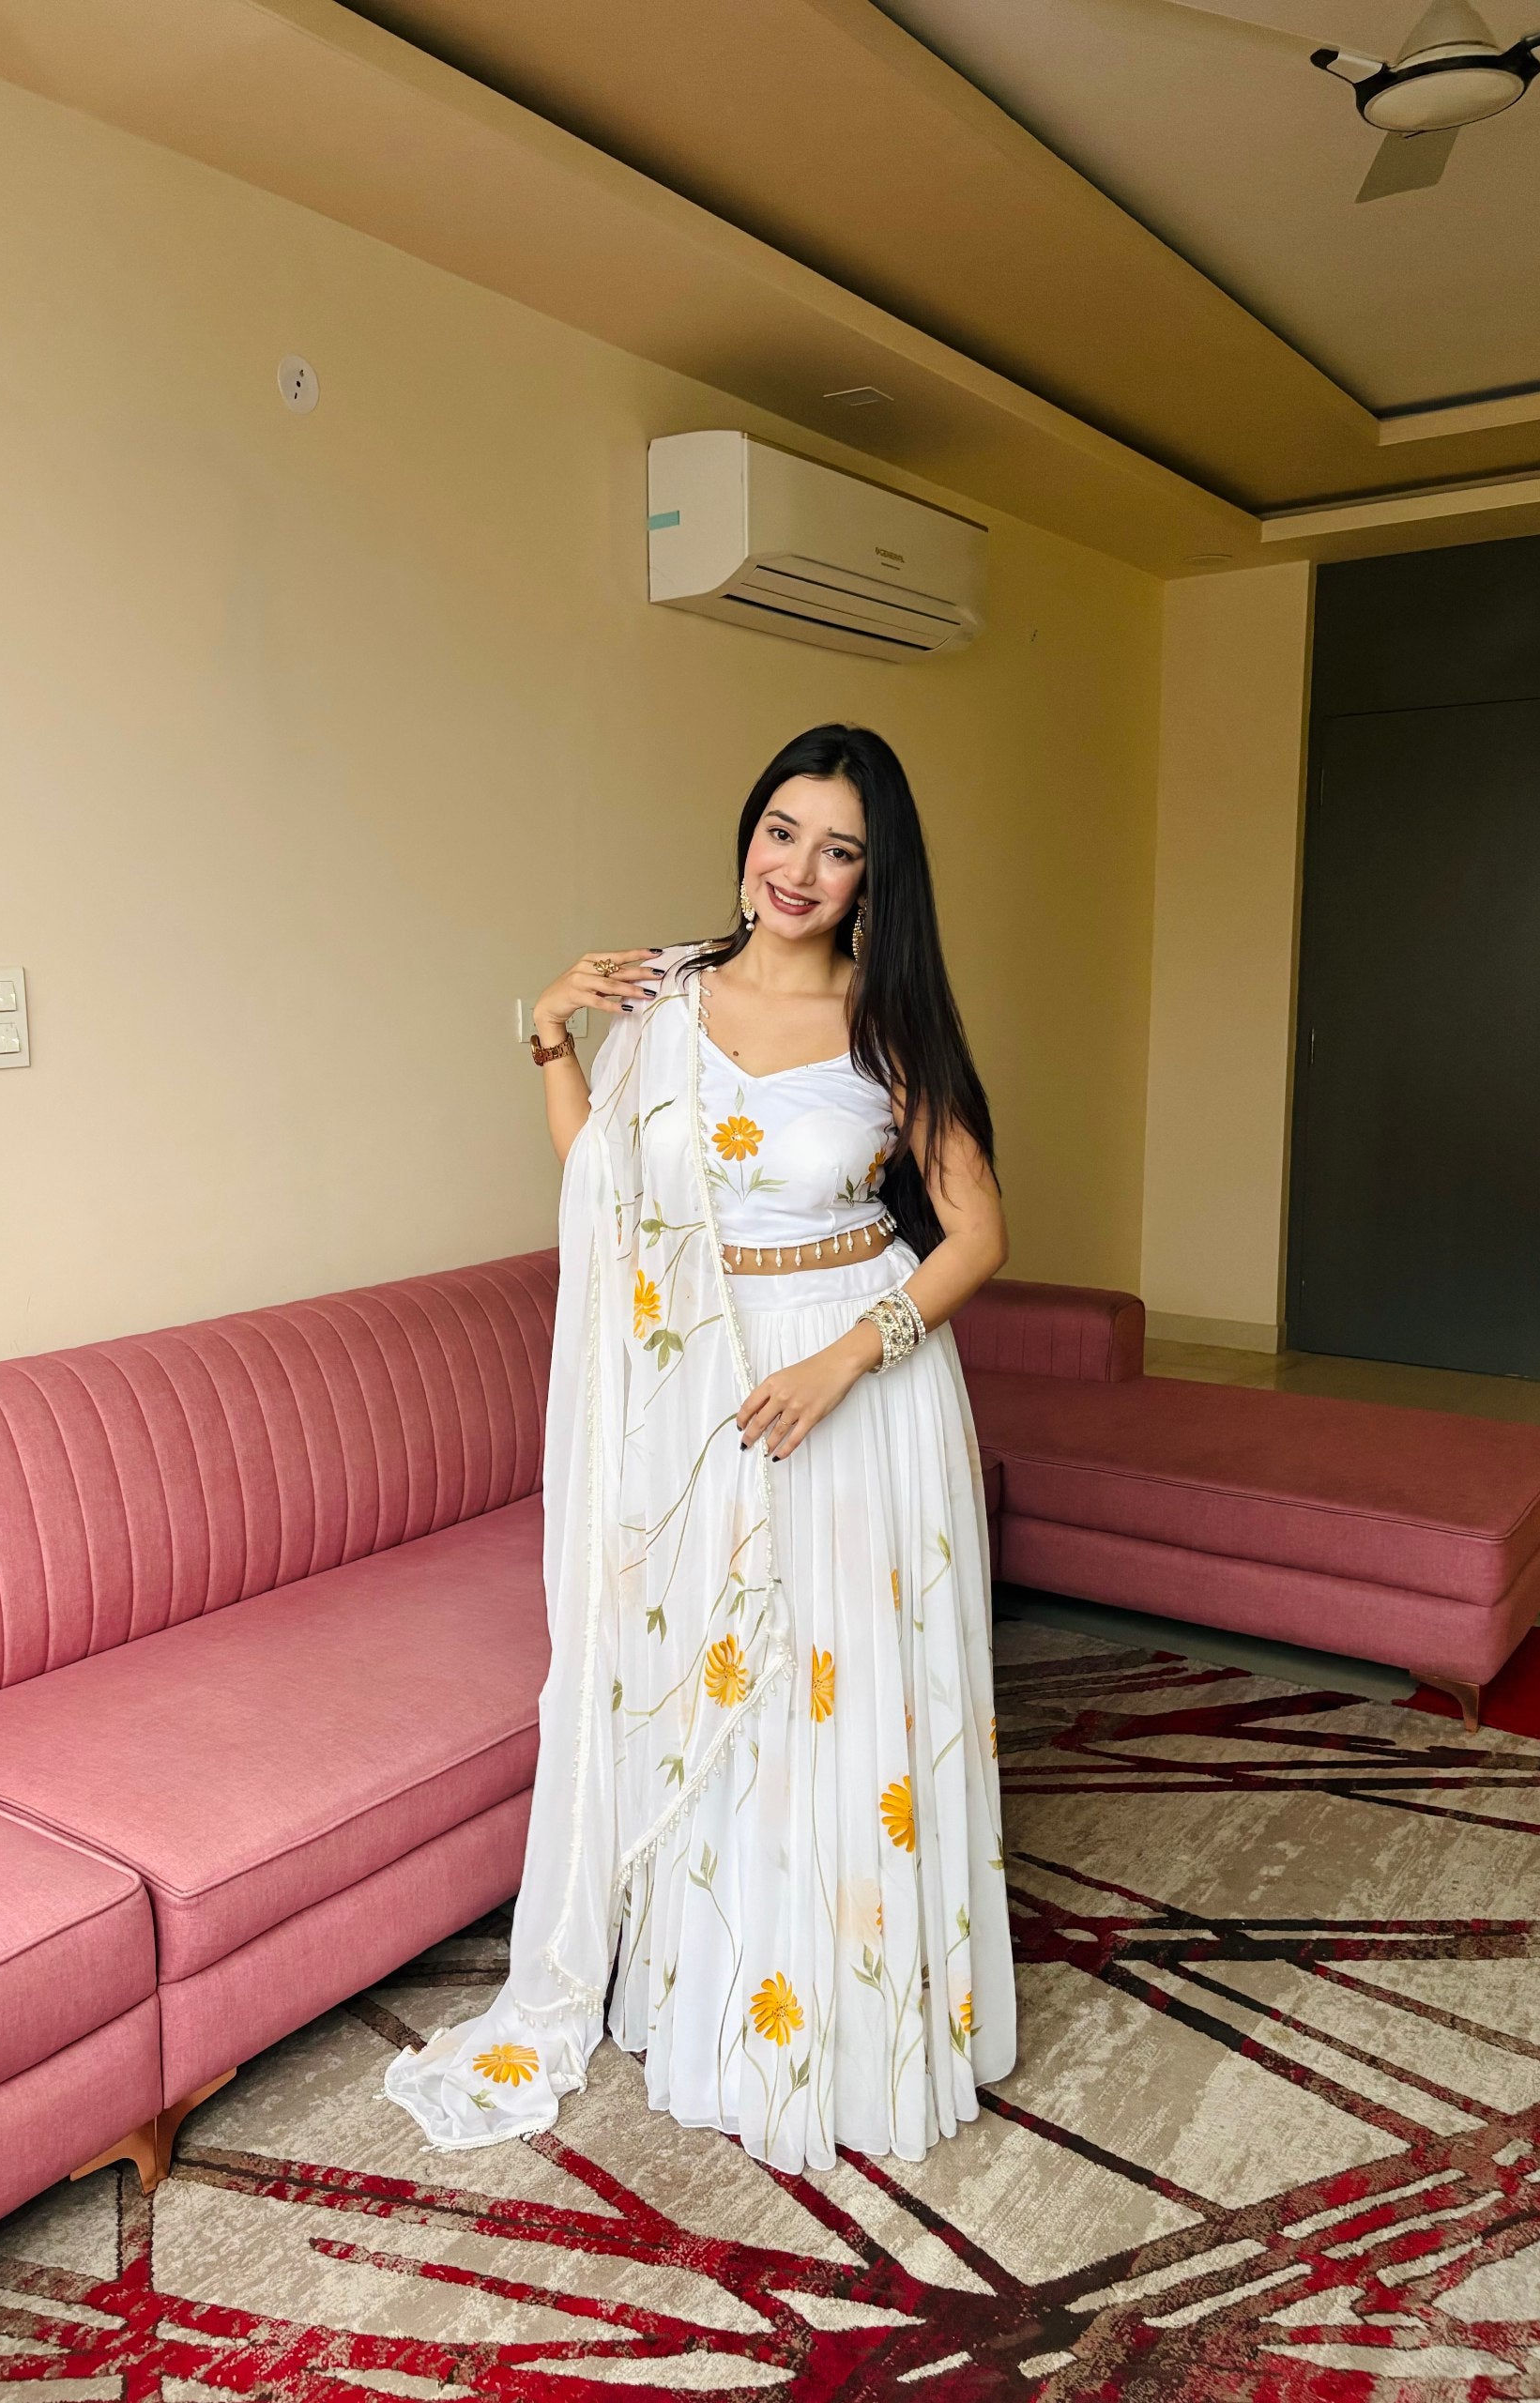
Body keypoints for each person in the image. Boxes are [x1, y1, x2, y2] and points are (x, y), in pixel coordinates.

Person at [384, 724, 1014, 2170]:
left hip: (857, 1387)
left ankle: (851, 2021)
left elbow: (976, 1234)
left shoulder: (890, 1022)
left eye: (839, 849)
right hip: (700, 1389)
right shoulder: (663, 995)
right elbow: (609, 1191)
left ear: (873, 880)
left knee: (837, 1688)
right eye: (782, 830)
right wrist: (550, 1037)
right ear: (748, 833)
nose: (798, 869)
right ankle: (722, 1999)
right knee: (719, 1674)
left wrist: (846, 1360)